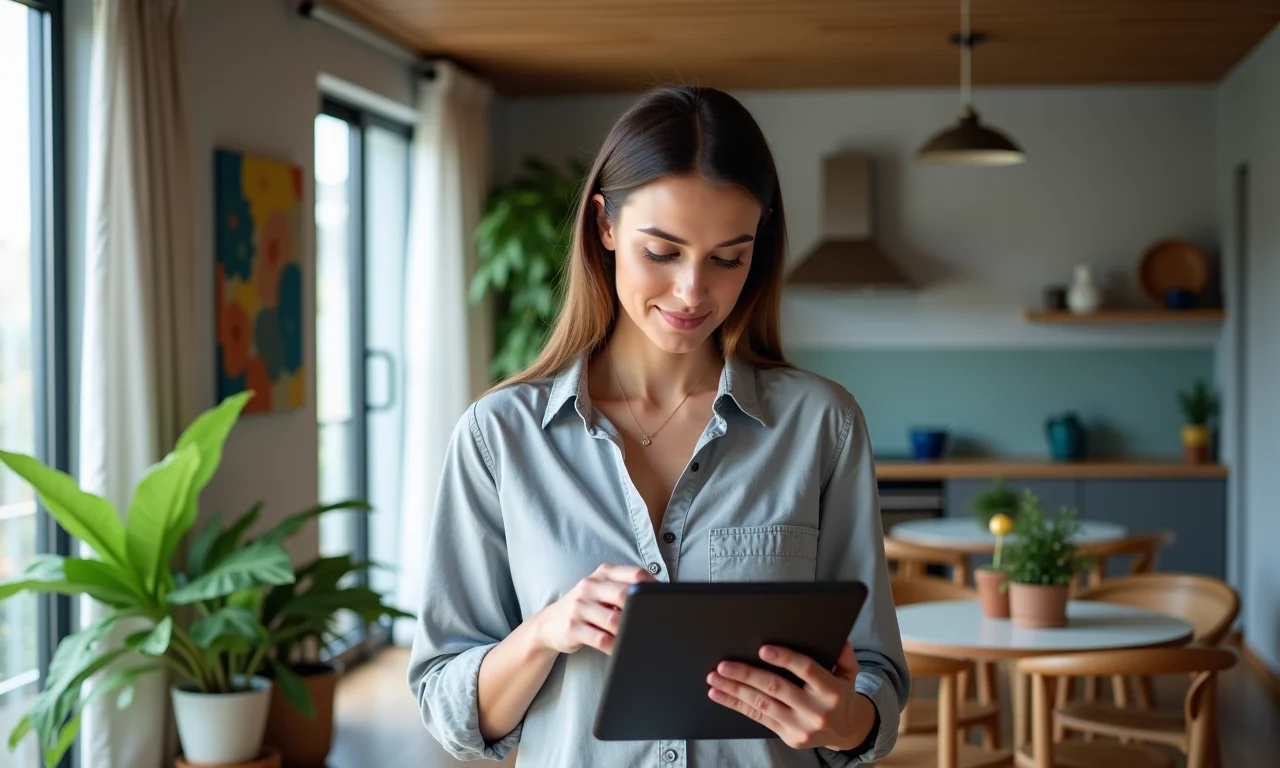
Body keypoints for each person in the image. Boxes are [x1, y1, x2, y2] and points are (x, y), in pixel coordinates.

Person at [407, 85, 908, 766]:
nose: (693, 292)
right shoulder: (498, 438)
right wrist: (546, 632)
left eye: (728, 257)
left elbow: (875, 677)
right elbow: (448, 704)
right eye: (663, 252)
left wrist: (843, 719)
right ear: (605, 226)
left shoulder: (822, 426)